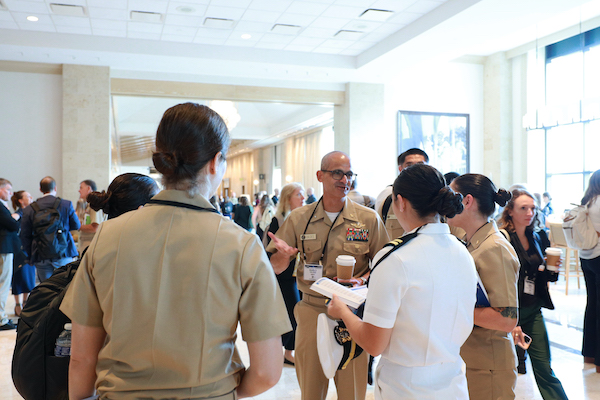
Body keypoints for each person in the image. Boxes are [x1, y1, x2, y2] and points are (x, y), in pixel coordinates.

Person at [60, 102, 290, 400]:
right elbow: (266, 372)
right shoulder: (242, 245)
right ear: (215, 161)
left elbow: (81, 359)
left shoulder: (107, 236)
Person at [327, 163, 477, 399]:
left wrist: (343, 311)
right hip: (452, 380)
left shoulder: (396, 258)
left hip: (406, 386)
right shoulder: (462, 253)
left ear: (401, 202)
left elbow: (374, 343)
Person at [13, 173, 160, 400]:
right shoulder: (134, 257)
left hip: (46, 259)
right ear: (142, 209)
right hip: (112, 381)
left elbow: (25, 234)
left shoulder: (35, 208)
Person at [267, 151, 389, 400]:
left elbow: (383, 266)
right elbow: (276, 267)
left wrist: (363, 280)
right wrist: (284, 255)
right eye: (337, 173)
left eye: (349, 174)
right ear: (320, 176)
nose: (345, 180)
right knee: (311, 390)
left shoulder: (368, 219)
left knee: (352, 391)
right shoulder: (299, 218)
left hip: (352, 313)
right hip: (312, 311)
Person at [447, 174, 520, 399]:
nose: (445, 206)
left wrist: (450, 308)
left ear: (467, 201)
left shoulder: (494, 248)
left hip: (488, 365)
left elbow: (506, 319)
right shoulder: (473, 242)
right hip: (473, 359)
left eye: (451, 197)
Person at [499, 189, 568, 400]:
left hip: (533, 309)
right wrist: (511, 321)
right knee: (505, 371)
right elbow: (502, 282)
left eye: (532, 208)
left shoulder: (537, 236)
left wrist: (551, 270)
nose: (529, 213)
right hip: (510, 313)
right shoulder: (503, 239)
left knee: (544, 367)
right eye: (523, 208)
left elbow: (543, 276)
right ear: (510, 211)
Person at [263, 182, 305, 366]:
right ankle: (287, 352)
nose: (303, 198)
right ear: (288, 199)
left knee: (294, 314)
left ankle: (288, 350)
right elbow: (268, 252)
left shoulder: (303, 219)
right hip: (283, 277)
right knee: (291, 314)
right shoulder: (278, 220)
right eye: (299, 194)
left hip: (299, 276)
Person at [20, 176, 80, 282]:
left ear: (40, 189)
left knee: (45, 288)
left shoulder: (30, 209)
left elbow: (25, 235)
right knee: (65, 287)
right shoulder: (66, 204)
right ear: (55, 188)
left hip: (40, 254)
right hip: (63, 252)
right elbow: (76, 226)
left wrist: (31, 255)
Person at [375, 148, 429, 240]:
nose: (415, 170)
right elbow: (379, 235)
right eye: (409, 166)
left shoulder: (439, 199)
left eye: (420, 165)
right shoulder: (389, 199)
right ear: (400, 169)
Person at [578, 170, 600, 372]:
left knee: (592, 304)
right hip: (599, 256)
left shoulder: (588, 201)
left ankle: (589, 353)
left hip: (586, 257)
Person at [10, 190, 35, 317]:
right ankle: (17, 304)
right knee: (19, 277)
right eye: (28, 196)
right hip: (19, 250)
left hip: (30, 249)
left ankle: (26, 302)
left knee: (29, 277)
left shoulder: (32, 212)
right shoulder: (18, 214)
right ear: (21, 200)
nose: (31, 197)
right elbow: (13, 224)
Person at [0, 179, 19, 330]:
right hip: (3, 249)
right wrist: (17, 216)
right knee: (3, 284)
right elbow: (12, 225)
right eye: (8, 190)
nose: (10, 193)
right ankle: (1, 319)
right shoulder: (1, 206)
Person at [78, 179, 105, 251]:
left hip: (91, 245)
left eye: (81, 188)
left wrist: (77, 226)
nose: (79, 191)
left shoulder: (94, 205)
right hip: (85, 245)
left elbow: (95, 227)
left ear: (88, 188)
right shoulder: (87, 205)